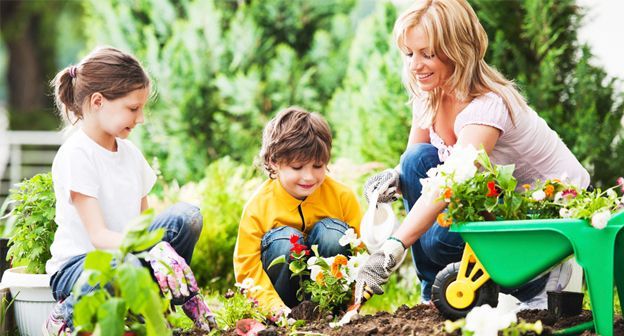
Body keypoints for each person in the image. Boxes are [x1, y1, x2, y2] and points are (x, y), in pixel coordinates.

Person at [355, 0, 589, 309]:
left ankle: (535, 281)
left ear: (458, 50)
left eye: (428, 54)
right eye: (410, 53)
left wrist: (392, 248)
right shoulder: (431, 93)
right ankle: (433, 293)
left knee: (438, 239)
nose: (415, 65)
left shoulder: (487, 106)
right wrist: (392, 178)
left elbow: (450, 181)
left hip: (542, 224)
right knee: (414, 164)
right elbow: (415, 160)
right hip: (496, 206)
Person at [43, 46, 214, 334]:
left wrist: (161, 252)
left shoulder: (131, 153)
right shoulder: (77, 153)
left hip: (126, 259)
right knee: (121, 265)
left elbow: (143, 225)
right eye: (133, 108)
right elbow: (98, 237)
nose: (141, 118)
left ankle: (147, 308)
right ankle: (66, 315)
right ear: (98, 101)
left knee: (187, 217)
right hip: (80, 267)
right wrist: (151, 250)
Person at [234, 107, 363, 312]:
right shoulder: (258, 206)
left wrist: (353, 306)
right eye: (297, 167)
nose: (309, 177)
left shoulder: (342, 197)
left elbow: (362, 253)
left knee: (333, 234)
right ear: (273, 162)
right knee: (286, 241)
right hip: (282, 303)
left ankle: (330, 311)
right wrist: (274, 309)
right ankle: (290, 313)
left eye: (318, 166)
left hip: (330, 294)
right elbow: (247, 267)